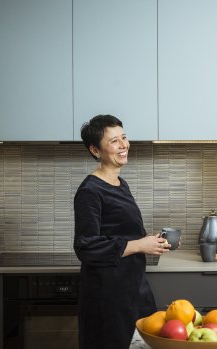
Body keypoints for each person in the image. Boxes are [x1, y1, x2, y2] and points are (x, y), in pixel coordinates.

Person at [73, 114, 171, 349]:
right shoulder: (90, 191)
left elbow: (123, 232)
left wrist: (151, 242)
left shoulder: (120, 184)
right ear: (96, 151)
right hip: (107, 295)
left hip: (133, 287)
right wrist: (139, 245)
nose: (123, 145)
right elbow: (86, 247)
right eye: (114, 141)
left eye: (124, 138)